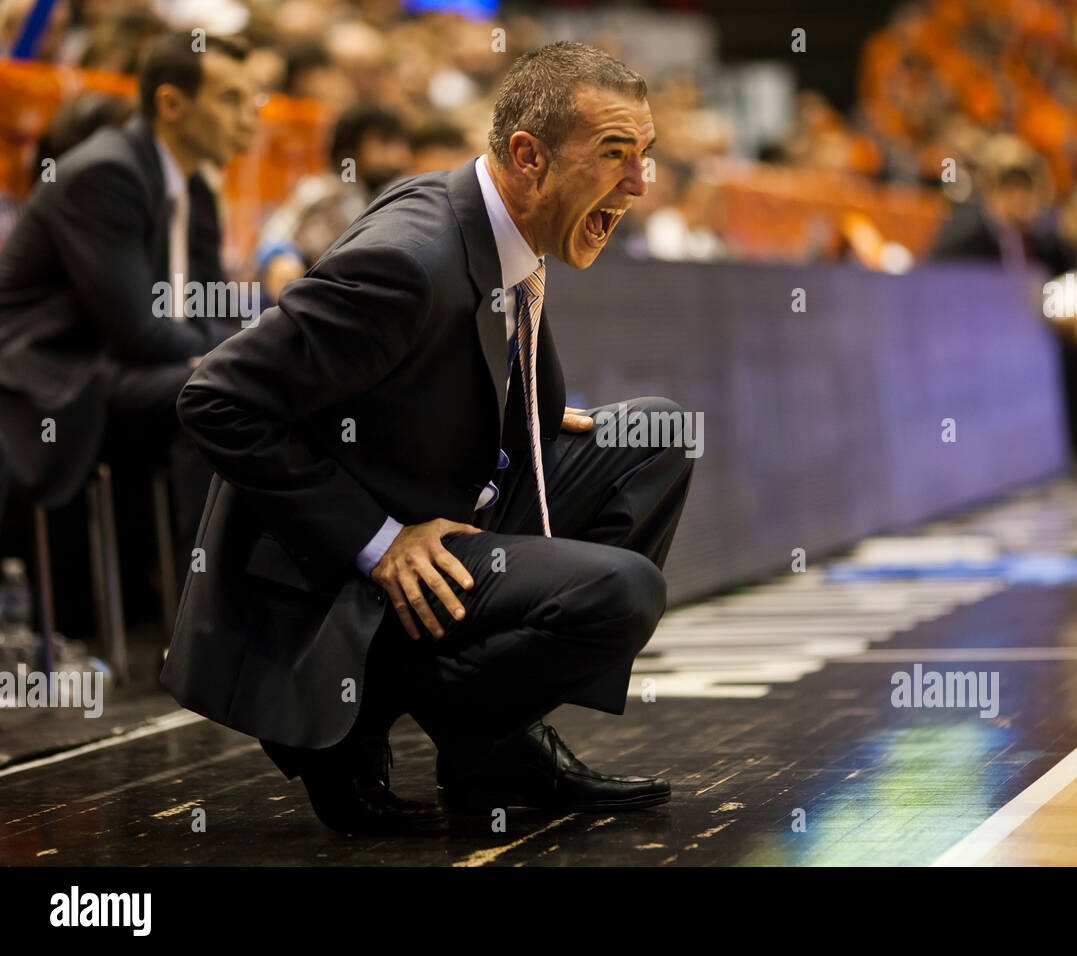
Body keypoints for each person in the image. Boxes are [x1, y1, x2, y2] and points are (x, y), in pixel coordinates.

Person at [161, 41, 694, 836]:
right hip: (335, 580)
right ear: (528, 157)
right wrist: (379, 541)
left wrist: (537, 423)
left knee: (653, 437)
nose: (639, 182)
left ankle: (490, 753)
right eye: (616, 155)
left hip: (434, 505)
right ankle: (375, 726)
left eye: (645, 155)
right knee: (620, 594)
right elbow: (215, 398)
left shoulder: (488, 219)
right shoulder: (406, 264)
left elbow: (432, 378)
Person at [0, 31, 257, 632]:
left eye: (254, 99)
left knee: (247, 384)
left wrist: (249, 346)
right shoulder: (105, 173)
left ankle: (257, 610)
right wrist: (236, 357)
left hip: (126, 367)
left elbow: (207, 308)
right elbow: (139, 330)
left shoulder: (193, 185)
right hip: (52, 377)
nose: (250, 117)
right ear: (172, 105)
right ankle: (206, 629)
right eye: (231, 99)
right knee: (217, 397)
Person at [255, 103, 413, 304]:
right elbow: (275, 236)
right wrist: (282, 257)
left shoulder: (397, 197)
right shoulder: (322, 190)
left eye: (402, 143)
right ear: (349, 151)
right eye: (384, 142)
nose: (398, 155)